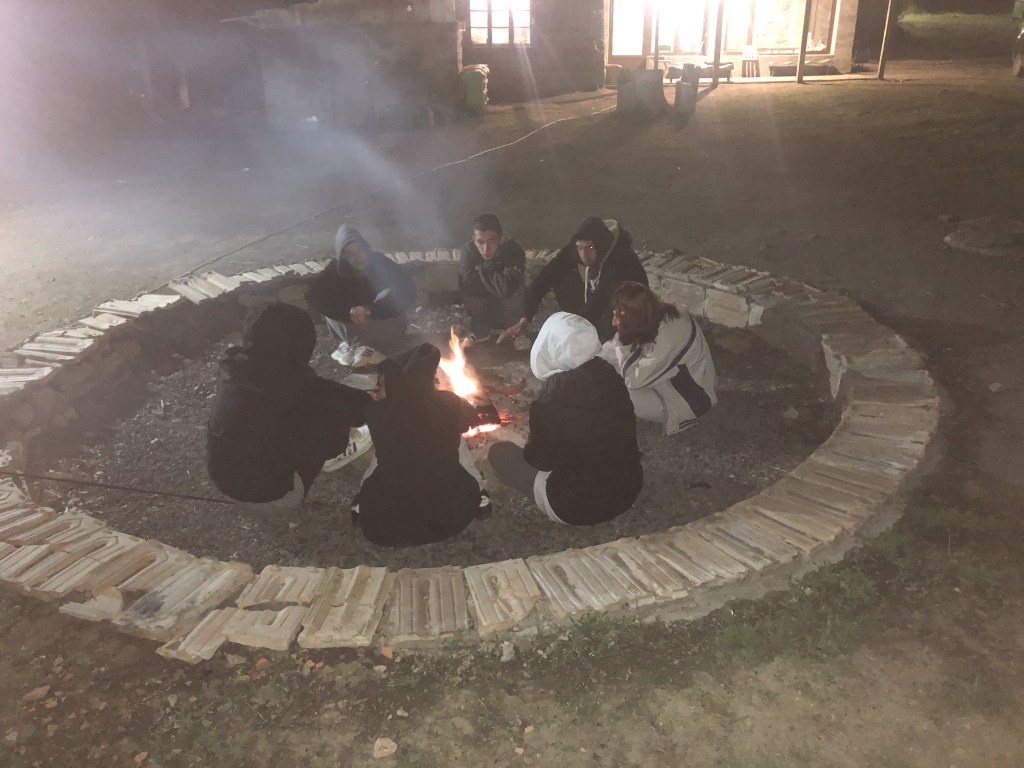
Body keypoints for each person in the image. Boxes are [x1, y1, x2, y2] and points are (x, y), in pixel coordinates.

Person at [207, 302, 373, 511]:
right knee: (330, 415)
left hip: (223, 479)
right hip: (275, 496)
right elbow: (357, 407)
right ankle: (338, 453)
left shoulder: (233, 366)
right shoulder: (295, 384)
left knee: (281, 420)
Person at [488, 312, 643, 525]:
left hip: (573, 505)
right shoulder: (611, 376)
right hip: (628, 489)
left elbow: (541, 461)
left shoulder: (551, 397)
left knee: (499, 452)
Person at [353, 343, 489, 547]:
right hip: (453, 517)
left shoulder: (376, 412)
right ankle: (480, 492)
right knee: (455, 441)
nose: (376, 392)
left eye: (380, 386)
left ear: (395, 385)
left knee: (383, 452)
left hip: (386, 525)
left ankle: (360, 502)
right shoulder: (449, 402)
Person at [500, 217, 648, 344]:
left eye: (589, 247)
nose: (584, 254)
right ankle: (585, 330)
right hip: (598, 301)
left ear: (600, 244)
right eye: (580, 248)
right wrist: (525, 317)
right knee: (562, 275)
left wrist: (570, 330)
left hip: (628, 311)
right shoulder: (579, 248)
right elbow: (548, 275)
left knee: (611, 310)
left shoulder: (620, 259)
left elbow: (600, 299)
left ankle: (606, 339)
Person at [600, 281, 717, 435]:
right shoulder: (653, 315)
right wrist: (591, 363)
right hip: (669, 376)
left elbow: (632, 380)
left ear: (635, 316)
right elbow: (611, 350)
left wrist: (624, 342)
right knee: (606, 365)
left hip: (690, 397)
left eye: (618, 317)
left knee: (618, 389)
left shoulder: (668, 338)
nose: (613, 322)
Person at [307, 224, 417, 368]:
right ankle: (363, 348)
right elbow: (314, 296)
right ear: (343, 256)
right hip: (354, 325)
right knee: (331, 305)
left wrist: (371, 310)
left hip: (383, 325)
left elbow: (407, 289)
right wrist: (348, 312)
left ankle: (357, 347)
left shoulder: (380, 262)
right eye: (351, 254)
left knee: (388, 293)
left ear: (367, 249)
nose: (358, 258)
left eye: (361, 251)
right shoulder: (336, 270)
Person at [457, 213, 530, 349]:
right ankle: (480, 331)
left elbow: (506, 288)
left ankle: (516, 332)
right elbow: (468, 286)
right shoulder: (469, 252)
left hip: (507, 306)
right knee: (471, 290)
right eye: (480, 242)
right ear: (474, 240)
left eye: (491, 241)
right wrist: (495, 275)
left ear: (501, 239)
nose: (486, 249)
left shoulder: (513, 250)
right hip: (483, 306)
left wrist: (483, 269)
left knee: (517, 288)